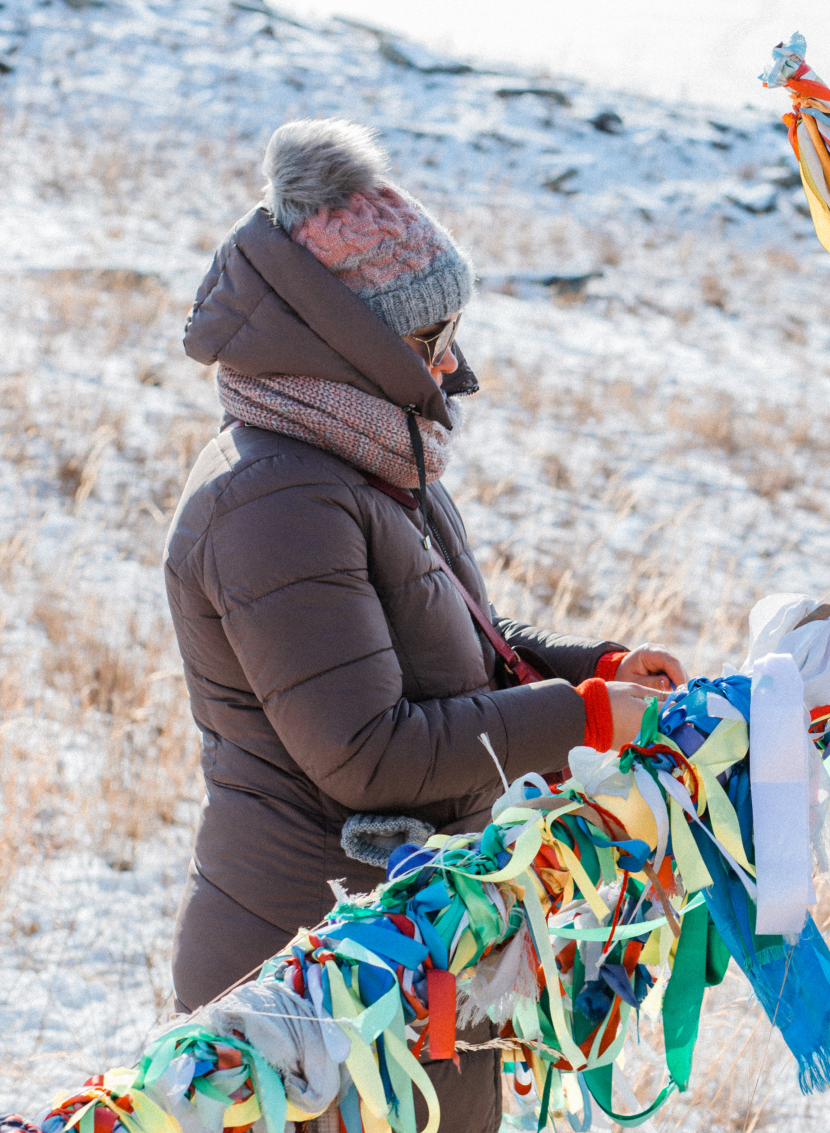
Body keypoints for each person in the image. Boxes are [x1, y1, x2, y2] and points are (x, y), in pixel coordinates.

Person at [163, 118, 685, 1132]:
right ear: (346, 344)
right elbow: (368, 753)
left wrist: (599, 668)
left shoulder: (363, 461)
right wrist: (582, 716)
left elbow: (457, 642)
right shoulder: (275, 503)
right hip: (305, 995)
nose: (455, 370)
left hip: (397, 961)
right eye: (428, 341)